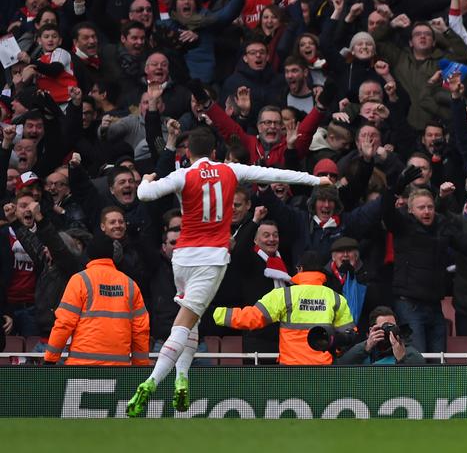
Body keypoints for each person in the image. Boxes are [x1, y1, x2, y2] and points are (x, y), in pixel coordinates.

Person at [126, 128, 330, 416]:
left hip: (182, 257)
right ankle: (152, 381)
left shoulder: (183, 175)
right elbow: (274, 174)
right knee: (184, 321)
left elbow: (145, 195)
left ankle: (182, 378)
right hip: (212, 257)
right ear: (213, 153)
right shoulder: (230, 170)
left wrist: (147, 179)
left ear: (188, 153)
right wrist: (315, 180)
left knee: (191, 318)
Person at [211, 251, 355, 365]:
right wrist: (335, 348)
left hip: (290, 370)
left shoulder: (285, 295)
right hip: (324, 370)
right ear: (322, 272)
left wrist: (215, 313)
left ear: (300, 269)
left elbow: (251, 318)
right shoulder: (336, 298)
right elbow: (349, 335)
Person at [43, 235, 150, 366]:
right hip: (118, 369)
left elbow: (64, 323)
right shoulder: (130, 284)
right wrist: (140, 366)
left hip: (81, 368)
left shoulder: (80, 280)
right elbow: (141, 330)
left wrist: (50, 359)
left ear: (89, 254)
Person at [335, 306, 425, 365]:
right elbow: (340, 366)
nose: (389, 331)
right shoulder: (363, 351)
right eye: (385, 327)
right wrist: (365, 347)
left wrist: (402, 359)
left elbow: (418, 375)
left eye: (392, 327)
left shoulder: (405, 350)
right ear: (372, 330)